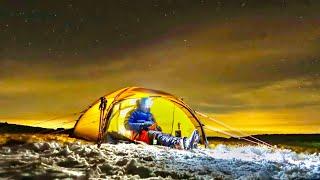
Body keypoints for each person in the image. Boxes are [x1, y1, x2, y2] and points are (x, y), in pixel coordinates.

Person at [126, 97, 200, 150]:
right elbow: (127, 125)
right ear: (140, 103)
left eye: (149, 103)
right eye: (146, 103)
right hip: (140, 135)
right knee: (158, 135)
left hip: (150, 133)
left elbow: (155, 125)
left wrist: (157, 127)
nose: (147, 105)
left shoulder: (150, 115)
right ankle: (182, 143)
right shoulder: (133, 113)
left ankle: (185, 142)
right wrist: (143, 125)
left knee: (165, 135)